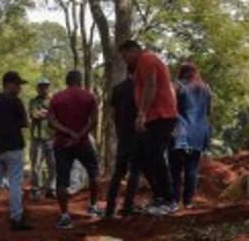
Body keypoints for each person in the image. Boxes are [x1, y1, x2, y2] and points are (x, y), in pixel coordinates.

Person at [119, 40, 179, 215]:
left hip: (160, 117)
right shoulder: (144, 62)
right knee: (139, 157)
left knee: (156, 157)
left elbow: (151, 85)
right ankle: (159, 196)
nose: (125, 60)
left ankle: (168, 200)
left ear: (134, 50)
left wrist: (141, 113)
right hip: (153, 118)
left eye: (125, 56)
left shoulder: (146, 59)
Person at [47, 70, 101, 229]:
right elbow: (94, 120)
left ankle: (64, 216)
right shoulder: (89, 97)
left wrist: (67, 132)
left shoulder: (56, 98)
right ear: (80, 81)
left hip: (62, 144)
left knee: (62, 178)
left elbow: (50, 121)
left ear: (67, 81)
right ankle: (94, 207)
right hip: (83, 143)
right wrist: (78, 135)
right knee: (93, 171)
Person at [0, 71, 32, 230]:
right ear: (9, 84)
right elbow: (25, 123)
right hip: (14, 147)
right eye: (17, 84)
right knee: (15, 182)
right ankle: (16, 218)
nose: (19, 88)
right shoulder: (15, 101)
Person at [170, 62, 213, 209]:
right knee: (192, 167)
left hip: (180, 130)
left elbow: (172, 109)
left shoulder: (178, 86)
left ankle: (174, 200)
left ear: (181, 73)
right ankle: (188, 201)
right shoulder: (206, 88)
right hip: (199, 132)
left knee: (175, 167)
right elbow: (209, 111)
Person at [105, 73, 142, 218]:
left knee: (118, 172)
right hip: (138, 136)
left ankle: (109, 208)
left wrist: (119, 130)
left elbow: (113, 114)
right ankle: (128, 208)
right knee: (135, 172)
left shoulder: (117, 88)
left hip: (123, 136)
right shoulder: (143, 87)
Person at [27, 79, 55, 200]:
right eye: (41, 87)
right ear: (37, 88)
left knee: (53, 165)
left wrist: (43, 113)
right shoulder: (33, 101)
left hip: (51, 138)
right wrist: (46, 114)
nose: (44, 89)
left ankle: (50, 189)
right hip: (37, 138)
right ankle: (35, 190)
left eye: (46, 87)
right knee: (36, 166)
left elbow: (56, 115)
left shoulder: (53, 101)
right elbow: (33, 114)